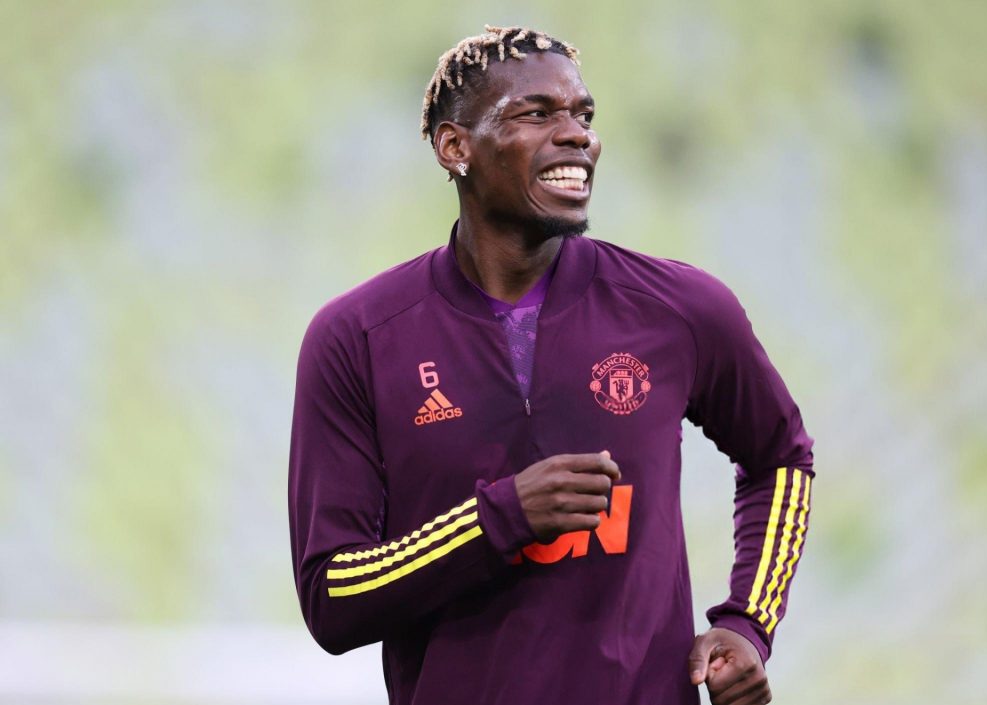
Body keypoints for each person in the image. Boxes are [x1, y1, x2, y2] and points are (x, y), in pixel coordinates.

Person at [288, 25, 814, 705]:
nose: (576, 136)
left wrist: (748, 623)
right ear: (455, 147)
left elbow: (781, 457)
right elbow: (332, 597)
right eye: (537, 114)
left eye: (583, 116)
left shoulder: (680, 308)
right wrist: (497, 519)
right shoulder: (355, 338)